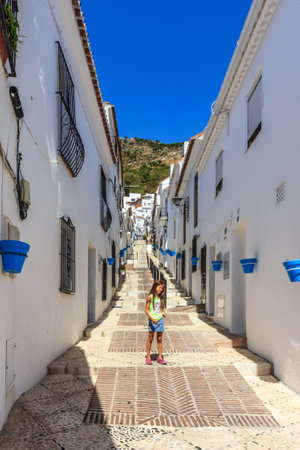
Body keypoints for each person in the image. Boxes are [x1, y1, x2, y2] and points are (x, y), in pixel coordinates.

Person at [145, 280, 167, 365]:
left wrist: (163, 313)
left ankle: (160, 357)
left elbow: (163, 307)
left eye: (162, 288)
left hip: (160, 320)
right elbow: (146, 310)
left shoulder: (161, 298)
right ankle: (148, 357)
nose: (160, 289)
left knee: (160, 339)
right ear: (155, 287)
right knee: (150, 338)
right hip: (152, 320)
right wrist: (152, 319)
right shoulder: (150, 297)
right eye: (159, 287)